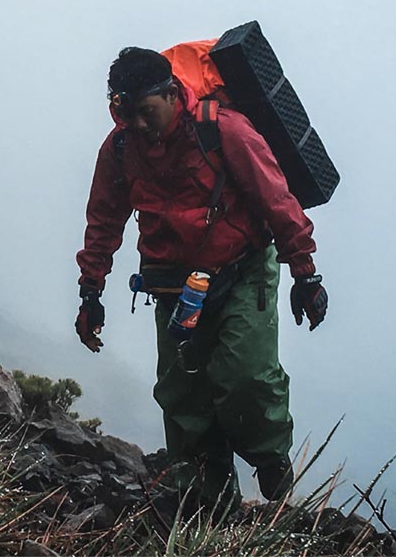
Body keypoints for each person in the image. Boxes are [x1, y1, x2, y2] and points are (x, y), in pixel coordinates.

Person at [74, 47, 328, 511]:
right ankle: (208, 507)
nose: (139, 127)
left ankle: (270, 458)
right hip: (173, 287)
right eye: (127, 116)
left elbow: (278, 201)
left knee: (244, 378)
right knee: (183, 398)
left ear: (172, 94)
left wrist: (305, 275)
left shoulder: (223, 130)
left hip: (242, 270)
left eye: (146, 114)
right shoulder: (121, 149)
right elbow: (103, 221)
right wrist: (91, 290)